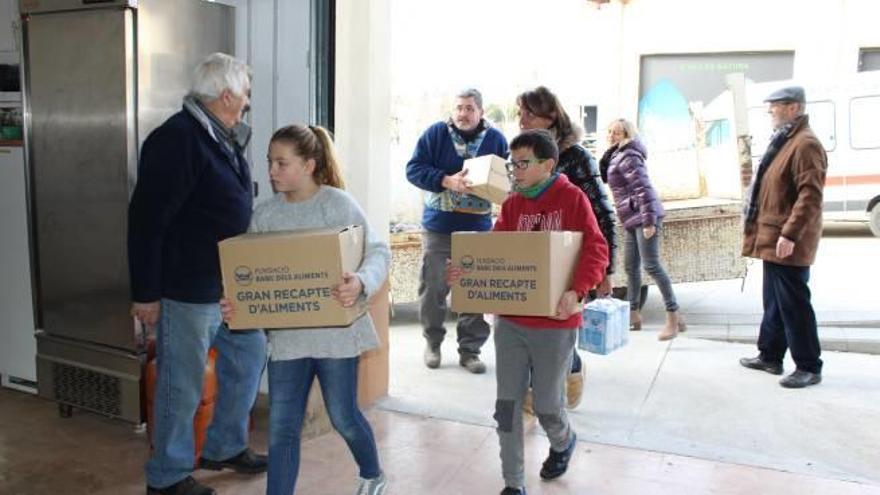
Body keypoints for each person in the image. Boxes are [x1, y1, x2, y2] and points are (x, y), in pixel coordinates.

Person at [221, 124, 391, 494]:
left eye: (282, 163)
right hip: (288, 342)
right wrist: (237, 302)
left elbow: (379, 251)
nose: (271, 171)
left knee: (344, 417)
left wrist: (361, 281)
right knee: (282, 429)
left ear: (309, 165)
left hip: (335, 339)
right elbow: (249, 274)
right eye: (269, 162)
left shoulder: (337, 205)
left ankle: (373, 473)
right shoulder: (264, 215)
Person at [129, 53, 268, 495]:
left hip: (227, 285)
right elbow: (146, 221)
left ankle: (224, 445)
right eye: (244, 94)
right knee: (181, 383)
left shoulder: (219, 136)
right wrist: (147, 293)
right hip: (186, 287)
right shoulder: (177, 140)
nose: (247, 102)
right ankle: (167, 476)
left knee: (249, 355)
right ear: (225, 95)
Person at [449, 129, 608, 495]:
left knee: (550, 405)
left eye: (523, 163)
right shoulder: (512, 206)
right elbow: (497, 253)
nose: (515, 171)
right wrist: (466, 271)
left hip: (555, 322)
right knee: (507, 405)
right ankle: (513, 483)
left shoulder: (571, 198)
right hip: (511, 322)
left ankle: (563, 440)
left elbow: (596, 249)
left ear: (547, 165)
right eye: (512, 163)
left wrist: (577, 289)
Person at [516, 86, 617, 409]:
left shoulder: (576, 158)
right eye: (520, 113)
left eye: (529, 113)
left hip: (569, 262)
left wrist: (604, 270)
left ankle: (555, 381)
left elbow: (601, 213)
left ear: (551, 117)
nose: (521, 119)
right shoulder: (523, 157)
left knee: (556, 327)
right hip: (531, 257)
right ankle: (551, 384)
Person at [406, 88, 510, 374]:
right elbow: (413, 169)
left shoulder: (497, 139)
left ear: (481, 112)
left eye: (469, 108)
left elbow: (507, 177)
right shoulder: (435, 134)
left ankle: (470, 350)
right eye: (459, 108)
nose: (463, 114)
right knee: (433, 286)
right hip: (439, 227)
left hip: (477, 227)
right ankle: (433, 343)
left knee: (475, 290)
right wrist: (445, 180)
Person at [739, 86, 827, 389]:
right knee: (774, 301)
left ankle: (808, 366)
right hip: (772, 236)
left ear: (793, 108)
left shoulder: (805, 144)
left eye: (774, 106)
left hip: (787, 239)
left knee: (794, 304)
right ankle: (771, 355)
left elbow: (810, 196)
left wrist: (790, 234)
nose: (770, 112)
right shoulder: (787, 141)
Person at [600, 118, 684, 341]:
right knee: (631, 266)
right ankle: (634, 314)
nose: (611, 135)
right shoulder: (616, 154)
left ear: (627, 134)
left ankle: (673, 317)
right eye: (609, 131)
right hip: (631, 217)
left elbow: (643, 189)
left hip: (643, 216)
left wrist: (648, 222)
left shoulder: (629, 156)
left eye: (617, 132)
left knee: (651, 265)